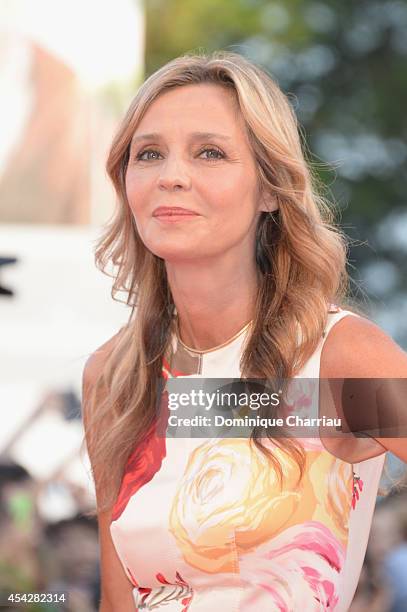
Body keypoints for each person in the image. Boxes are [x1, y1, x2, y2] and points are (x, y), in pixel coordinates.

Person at [81, 50, 407, 611]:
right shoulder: (116, 377)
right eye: (148, 154)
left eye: (210, 153)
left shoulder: (335, 355)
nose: (172, 176)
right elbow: (119, 601)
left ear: (270, 189)